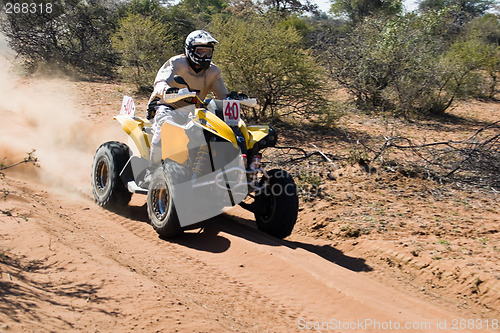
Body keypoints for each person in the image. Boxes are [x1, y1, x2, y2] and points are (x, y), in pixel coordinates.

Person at [147, 30, 229, 165]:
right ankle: (152, 168)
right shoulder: (176, 63)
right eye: (200, 51)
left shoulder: (213, 71)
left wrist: (232, 98)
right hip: (167, 106)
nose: (204, 55)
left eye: (207, 52)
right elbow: (160, 83)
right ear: (190, 50)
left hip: (195, 112)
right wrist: (167, 89)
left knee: (219, 131)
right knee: (166, 124)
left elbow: (222, 97)